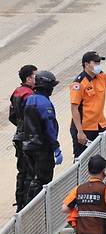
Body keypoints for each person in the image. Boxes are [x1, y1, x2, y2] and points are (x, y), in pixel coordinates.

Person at [22, 70, 62, 207]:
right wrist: (56, 147)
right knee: (43, 180)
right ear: (47, 86)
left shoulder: (30, 99)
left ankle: (28, 207)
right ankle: (37, 209)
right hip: (41, 148)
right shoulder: (44, 103)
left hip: (28, 146)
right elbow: (49, 126)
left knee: (33, 178)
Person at [9, 65, 37, 211]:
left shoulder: (17, 93)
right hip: (28, 137)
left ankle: (20, 201)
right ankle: (27, 204)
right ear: (28, 78)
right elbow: (34, 119)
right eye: (35, 76)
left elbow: (12, 116)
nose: (36, 78)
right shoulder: (30, 95)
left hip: (19, 136)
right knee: (30, 171)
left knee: (22, 170)